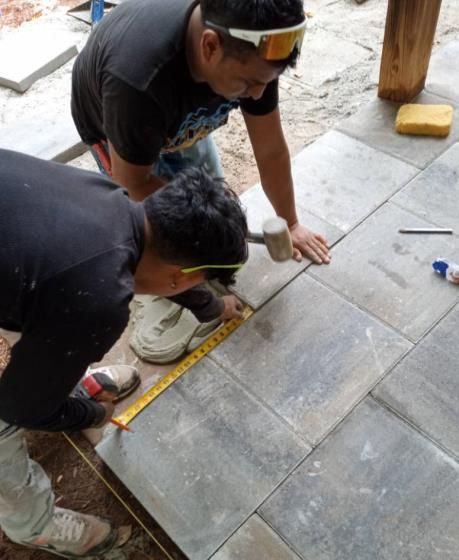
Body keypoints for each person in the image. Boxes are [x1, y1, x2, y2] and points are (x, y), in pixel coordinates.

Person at [0, 149, 248, 558]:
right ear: (178, 278)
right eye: (197, 281)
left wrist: (212, 307)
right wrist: (93, 414)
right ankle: (33, 525)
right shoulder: (99, 299)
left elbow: (51, 280)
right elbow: (18, 407)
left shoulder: (109, 196)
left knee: (34, 289)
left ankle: (54, 373)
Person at [71, 0, 331, 332]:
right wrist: (206, 303)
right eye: (250, 83)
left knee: (213, 229)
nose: (258, 95)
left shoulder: (256, 50)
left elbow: (270, 149)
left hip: (176, 118)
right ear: (209, 45)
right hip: (118, 128)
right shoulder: (137, 82)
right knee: (164, 245)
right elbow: (134, 189)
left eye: (267, 80)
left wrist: (291, 223)